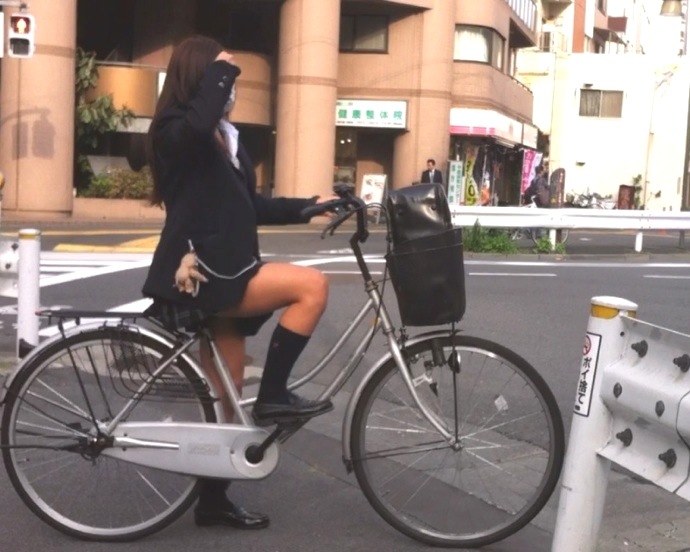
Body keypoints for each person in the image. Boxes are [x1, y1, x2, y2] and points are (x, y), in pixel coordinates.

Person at [142, 35, 336, 531]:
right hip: (206, 275)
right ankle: (275, 394)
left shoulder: (224, 138)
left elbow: (248, 206)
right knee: (311, 286)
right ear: (200, 77)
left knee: (225, 407)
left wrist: (305, 207)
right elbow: (195, 124)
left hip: (227, 272)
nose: (231, 88)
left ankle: (211, 503)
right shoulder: (175, 131)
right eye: (223, 77)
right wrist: (221, 71)